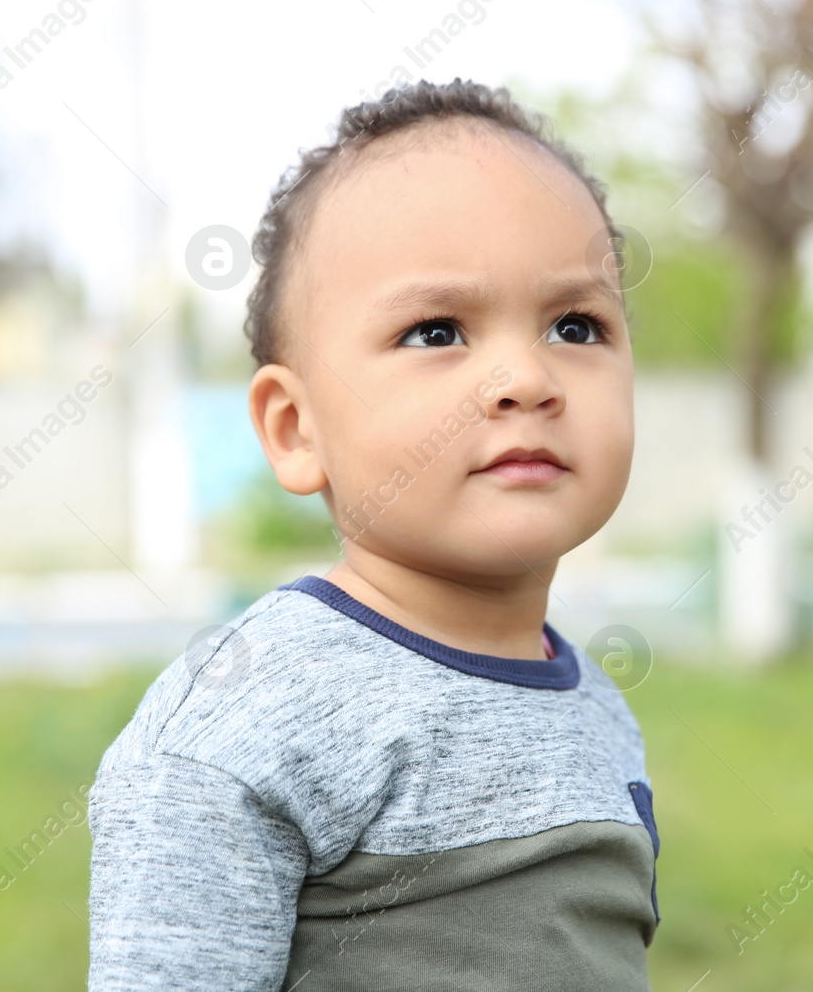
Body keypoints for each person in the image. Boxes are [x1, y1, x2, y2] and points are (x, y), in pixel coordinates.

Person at [87, 78, 657, 991]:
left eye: (575, 324)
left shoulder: (595, 703)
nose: (525, 377)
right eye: (437, 330)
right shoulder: (249, 718)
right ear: (295, 429)